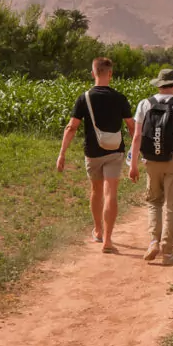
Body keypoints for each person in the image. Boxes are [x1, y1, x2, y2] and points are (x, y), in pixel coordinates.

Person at [56, 57, 134, 255]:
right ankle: (108, 240)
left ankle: (98, 231)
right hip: (115, 151)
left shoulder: (85, 98)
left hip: (92, 152)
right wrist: (137, 151)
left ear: (93, 73)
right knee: (111, 193)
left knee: (96, 191)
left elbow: (72, 127)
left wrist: (62, 153)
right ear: (110, 74)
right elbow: (132, 127)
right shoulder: (120, 98)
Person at [129, 69, 173, 265]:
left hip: (151, 161)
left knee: (154, 202)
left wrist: (133, 165)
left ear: (158, 85)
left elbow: (136, 137)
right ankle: (167, 252)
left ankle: (153, 241)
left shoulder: (145, 103)